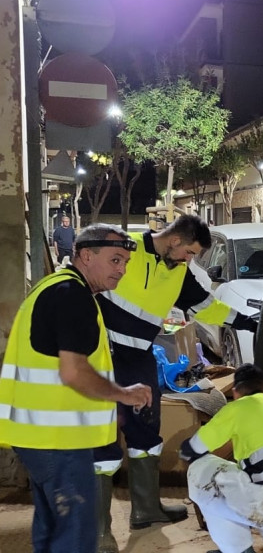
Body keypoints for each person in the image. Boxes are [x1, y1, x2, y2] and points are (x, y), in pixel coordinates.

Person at [93, 214, 259, 548]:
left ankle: (146, 509)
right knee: (101, 440)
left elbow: (204, 306)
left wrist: (242, 320)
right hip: (101, 356)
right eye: (190, 252)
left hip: (138, 358)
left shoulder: (177, 272)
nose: (189, 260)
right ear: (174, 241)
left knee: (145, 432)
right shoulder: (125, 250)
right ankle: (99, 531)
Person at [0, 224, 152, 553]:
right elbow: (74, 371)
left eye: (125, 263)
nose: (122, 271)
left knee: (53, 528)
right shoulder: (73, 296)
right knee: (75, 535)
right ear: (85, 255)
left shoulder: (54, 287)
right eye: (115, 260)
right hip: (59, 442)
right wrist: (125, 394)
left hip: (41, 438)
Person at [180, 363, 263, 553]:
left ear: (235, 392)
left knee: (202, 470)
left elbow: (192, 449)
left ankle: (237, 548)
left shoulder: (236, 408)